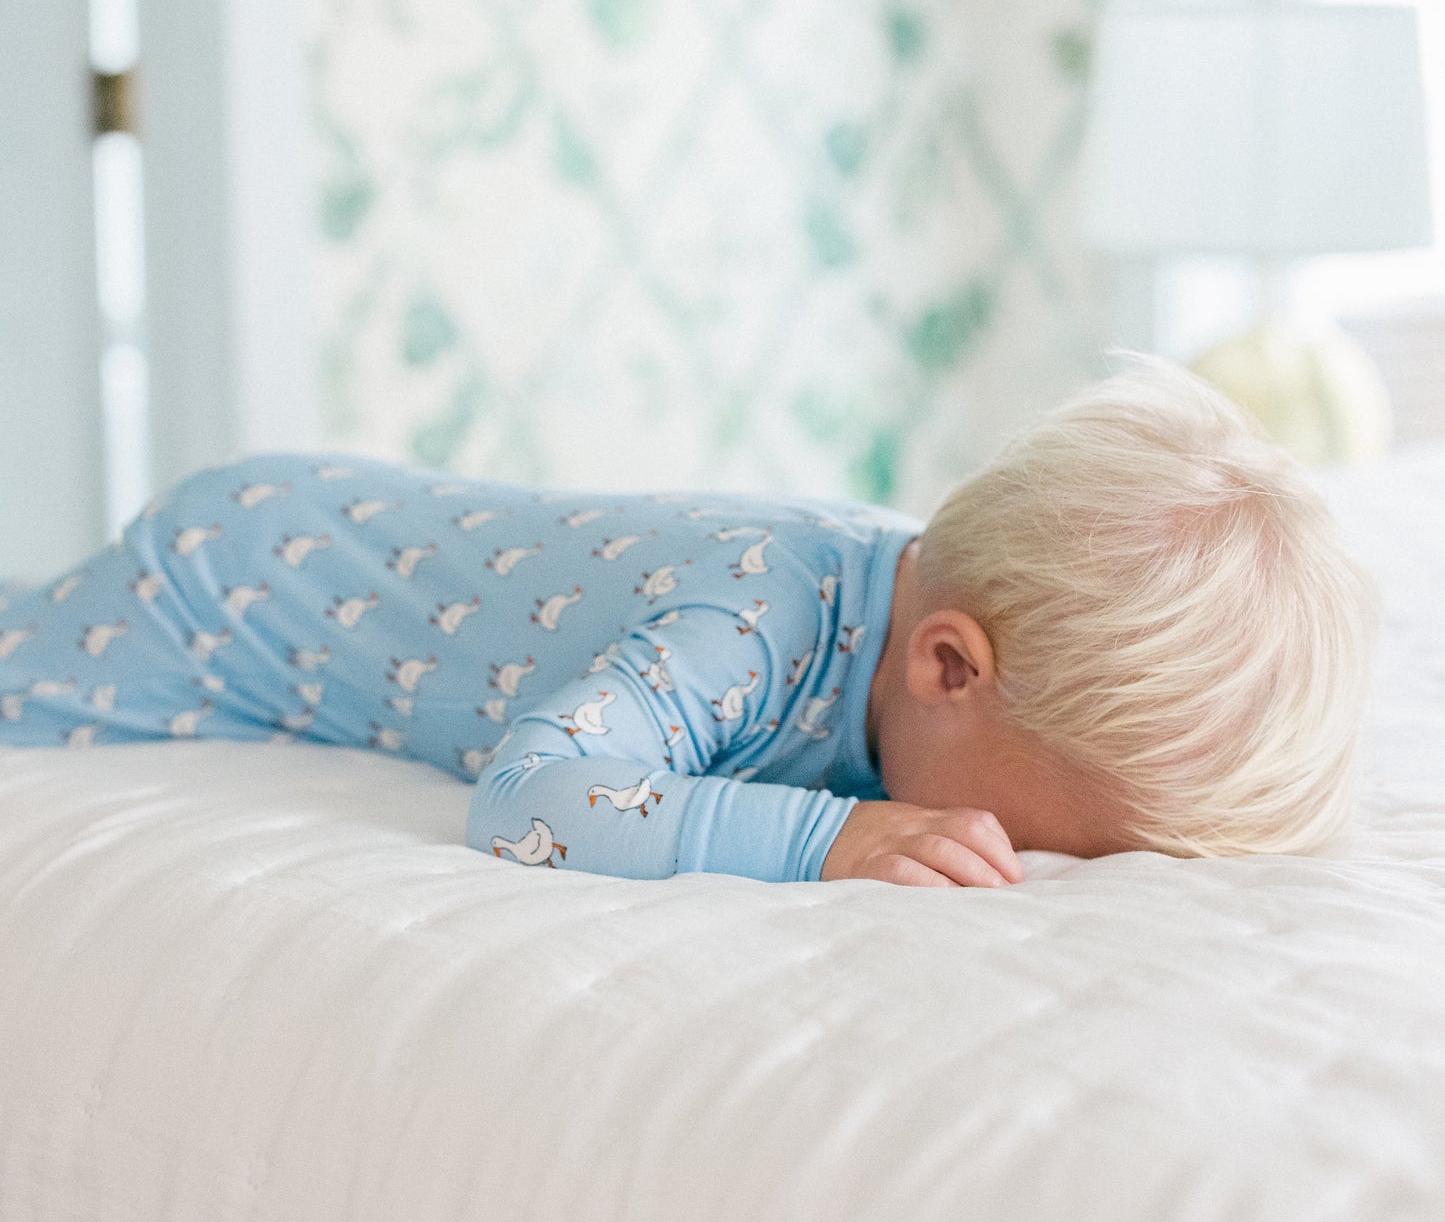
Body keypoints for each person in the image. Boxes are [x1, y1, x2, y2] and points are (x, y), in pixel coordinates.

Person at [0, 360, 1377, 888]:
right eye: (1038, 834)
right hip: (235, 582)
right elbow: (530, 796)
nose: (996, 855)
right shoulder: (750, 622)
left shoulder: (942, 616)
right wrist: (830, 833)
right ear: (947, 664)